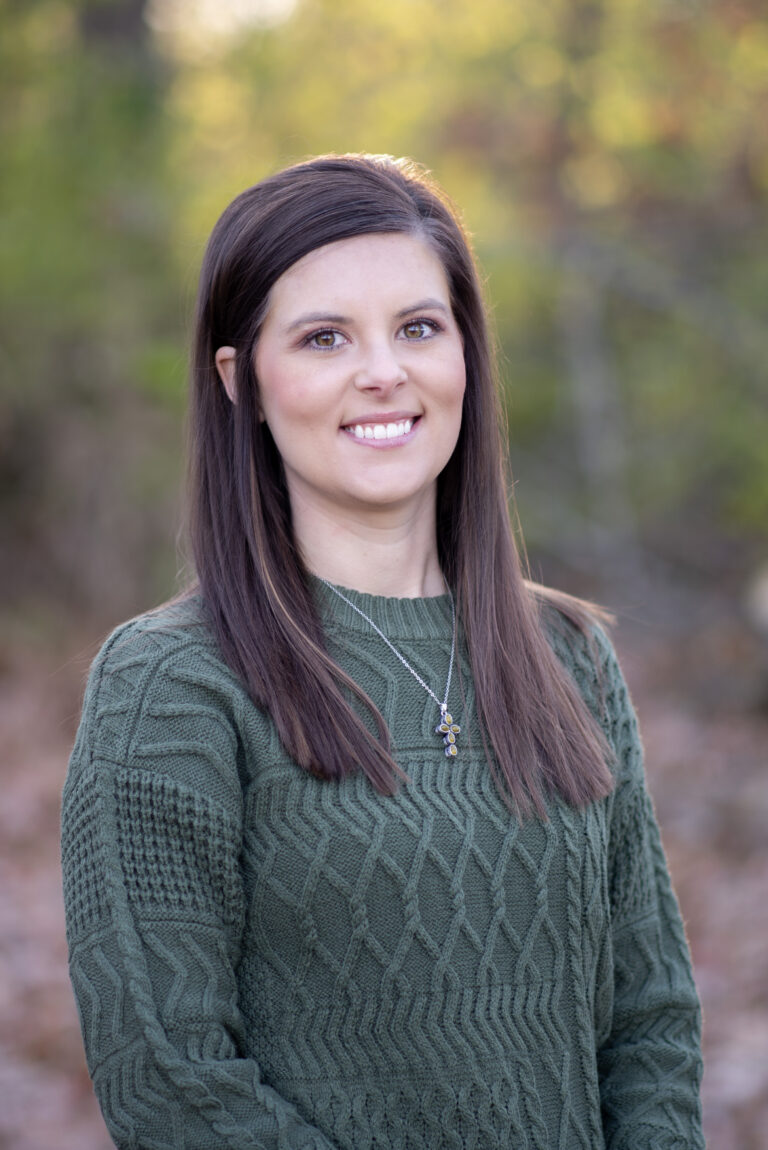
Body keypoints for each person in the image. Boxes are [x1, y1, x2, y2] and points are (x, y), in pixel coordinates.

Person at [61, 153, 704, 1150]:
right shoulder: (172, 685)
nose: (383, 372)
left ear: (464, 353)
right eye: (324, 337)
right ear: (245, 383)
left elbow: (650, 1017)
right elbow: (170, 1079)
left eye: (418, 327)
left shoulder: (568, 655)